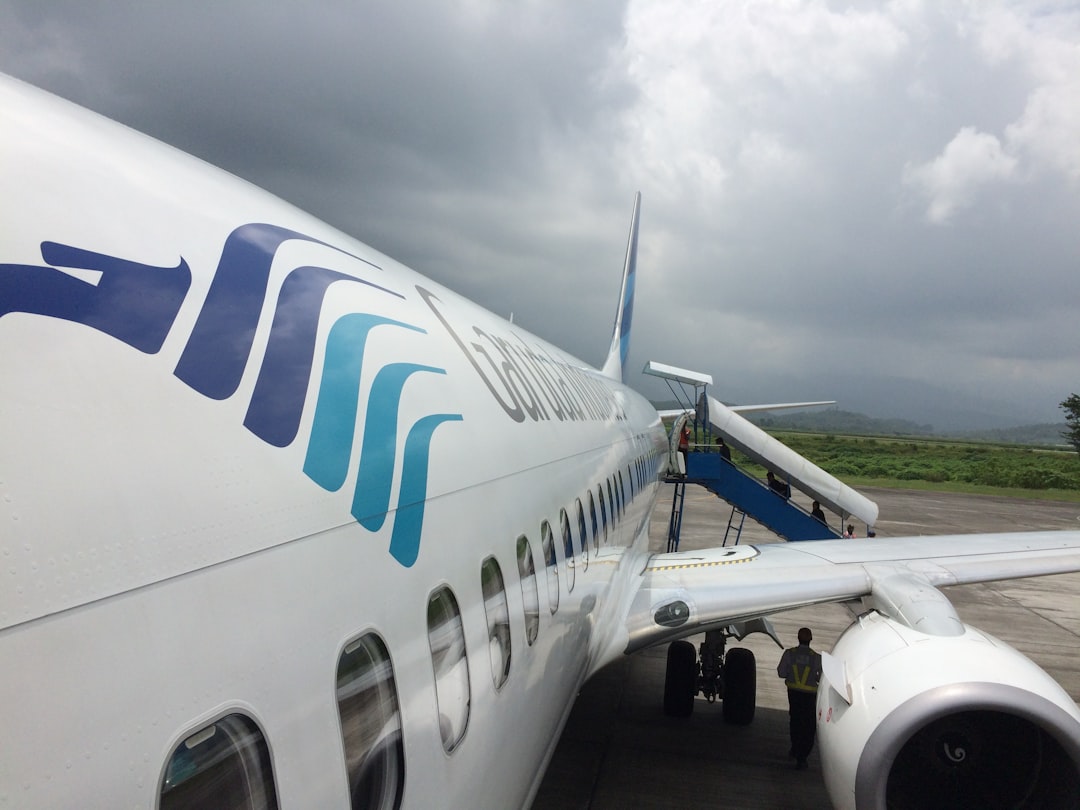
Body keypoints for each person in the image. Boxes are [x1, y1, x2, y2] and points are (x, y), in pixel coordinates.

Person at [777, 627, 822, 770]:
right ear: (810, 640)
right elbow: (820, 677)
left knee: (795, 722)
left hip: (794, 694)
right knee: (808, 726)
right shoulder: (816, 657)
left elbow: (781, 673)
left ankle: (795, 749)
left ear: (798, 638)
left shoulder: (790, 654)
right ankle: (803, 756)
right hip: (809, 696)